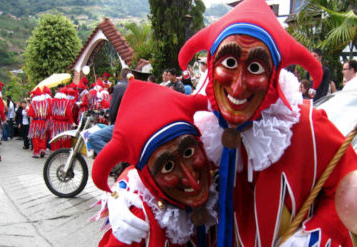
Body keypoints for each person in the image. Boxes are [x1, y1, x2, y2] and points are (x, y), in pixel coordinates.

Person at [108, 0, 357, 246]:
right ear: (212, 65)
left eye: (256, 67)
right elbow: (155, 153)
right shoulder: (201, 121)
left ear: (274, 76)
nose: (238, 87)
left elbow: (349, 189)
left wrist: (315, 236)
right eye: (229, 63)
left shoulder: (306, 126)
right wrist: (125, 191)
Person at [92, 80, 217, 246]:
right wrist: (118, 192)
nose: (191, 179)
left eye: (189, 152)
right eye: (167, 167)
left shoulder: (220, 170)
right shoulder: (140, 218)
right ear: (148, 178)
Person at [88, 68, 131, 155]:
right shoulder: (135, 87)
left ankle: (112, 157)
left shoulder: (119, 87)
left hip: (121, 125)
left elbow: (113, 108)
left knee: (93, 137)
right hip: (132, 125)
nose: (106, 79)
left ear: (121, 76)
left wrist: (110, 118)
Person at [28, 87, 51, 158]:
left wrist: (31, 124)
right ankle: (42, 149)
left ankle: (36, 152)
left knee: (35, 137)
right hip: (43, 122)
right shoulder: (45, 103)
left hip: (35, 122)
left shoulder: (33, 103)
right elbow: (49, 114)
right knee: (43, 137)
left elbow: (31, 114)